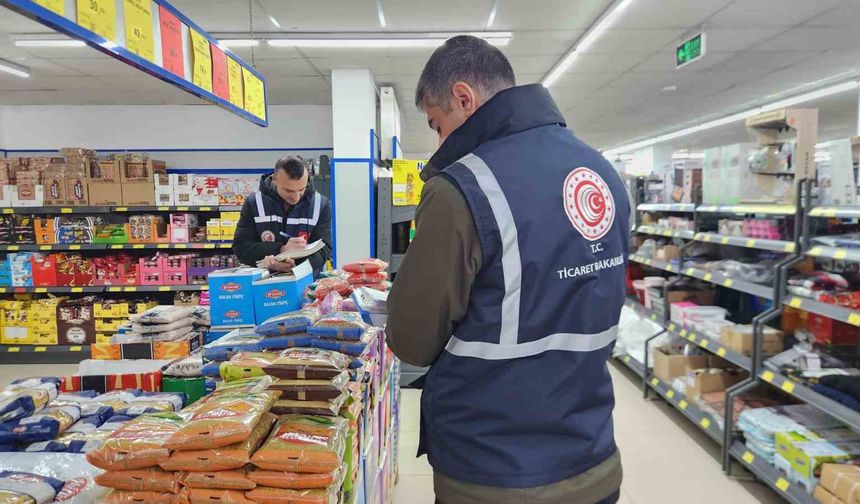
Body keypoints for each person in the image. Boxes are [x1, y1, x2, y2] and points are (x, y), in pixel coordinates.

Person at [386, 35, 629, 504]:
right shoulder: (602, 173)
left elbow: (412, 339)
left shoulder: (464, 189)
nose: (440, 141)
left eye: (438, 126)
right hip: (592, 454)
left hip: (493, 467)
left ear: (463, 98)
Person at [233, 156, 332, 277]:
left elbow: (324, 250)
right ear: (275, 179)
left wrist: (294, 265)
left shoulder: (321, 204)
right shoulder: (254, 203)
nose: (296, 197)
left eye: (301, 189)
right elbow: (240, 248)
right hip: (264, 286)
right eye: (289, 191)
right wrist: (280, 250)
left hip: (306, 285)